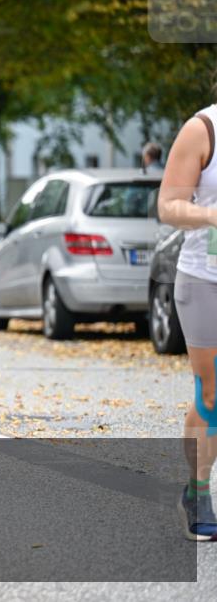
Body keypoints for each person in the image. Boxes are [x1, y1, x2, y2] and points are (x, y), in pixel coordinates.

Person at [159, 101, 217, 541]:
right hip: (207, 281)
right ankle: (198, 492)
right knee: (212, 392)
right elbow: (169, 205)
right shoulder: (203, 129)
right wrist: (211, 215)